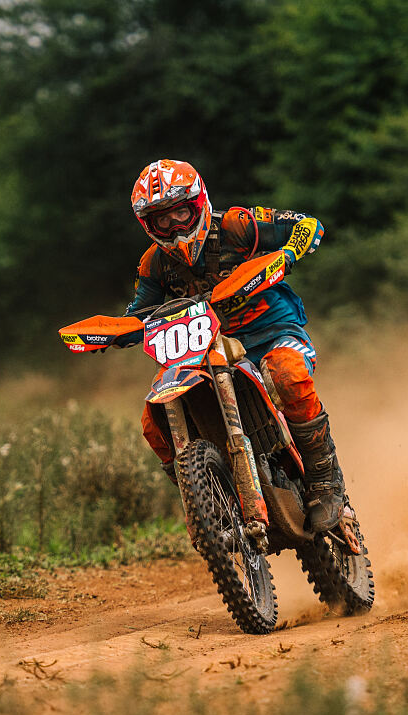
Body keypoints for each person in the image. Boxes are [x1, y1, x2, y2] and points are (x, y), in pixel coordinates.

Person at [125, 158, 349, 534]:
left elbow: (307, 224)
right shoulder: (155, 263)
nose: (176, 226)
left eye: (181, 212)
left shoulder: (236, 226)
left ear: (198, 203)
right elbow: (140, 311)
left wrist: (288, 252)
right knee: (152, 422)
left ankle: (325, 481)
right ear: (149, 224)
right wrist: (117, 332)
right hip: (202, 350)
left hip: (271, 332)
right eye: (163, 220)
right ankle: (210, 497)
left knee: (289, 376)